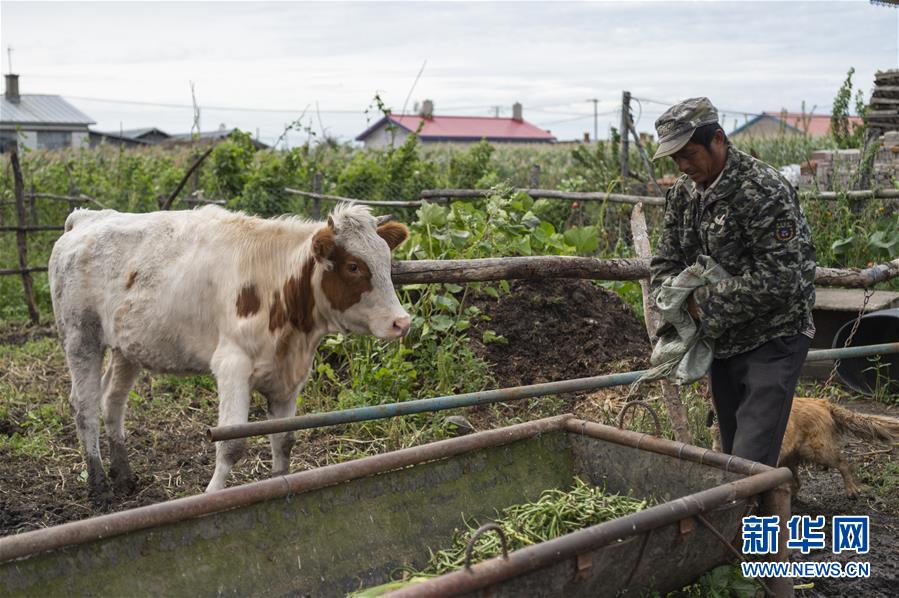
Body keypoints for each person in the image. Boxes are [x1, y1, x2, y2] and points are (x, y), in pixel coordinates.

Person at [649, 97, 816, 467]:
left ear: (719, 139)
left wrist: (700, 303)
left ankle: (747, 520)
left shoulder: (762, 190)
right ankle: (767, 512)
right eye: (675, 158)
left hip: (774, 337)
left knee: (747, 459)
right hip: (721, 340)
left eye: (689, 154)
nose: (683, 165)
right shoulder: (683, 194)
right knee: (733, 452)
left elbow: (782, 277)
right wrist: (670, 297)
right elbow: (665, 259)